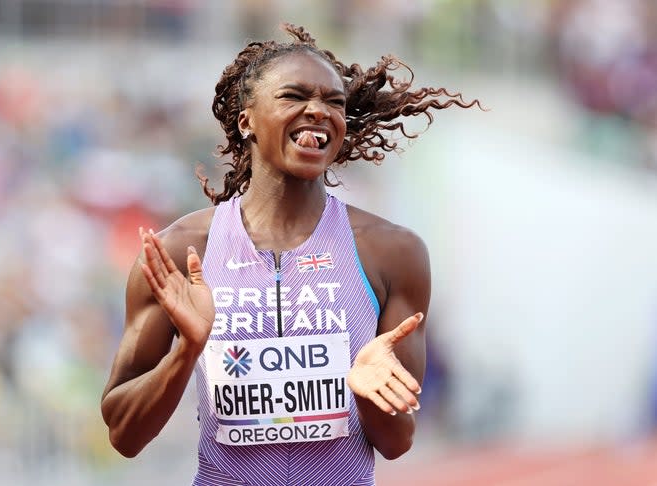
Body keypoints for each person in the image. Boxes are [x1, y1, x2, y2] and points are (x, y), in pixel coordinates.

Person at [101, 23, 479, 485]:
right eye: (293, 97)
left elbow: (398, 442)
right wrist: (187, 352)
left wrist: (366, 394)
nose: (318, 111)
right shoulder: (182, 252)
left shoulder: (392, 252)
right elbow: (123, 433)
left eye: (334, 102)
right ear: (246, 121)